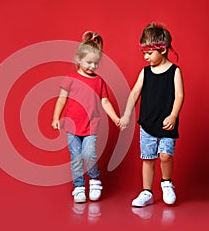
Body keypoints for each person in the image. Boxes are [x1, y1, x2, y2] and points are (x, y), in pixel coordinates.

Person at [120, 22, 184, 207]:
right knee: (147, 158)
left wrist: (173, 115)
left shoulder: (174, 71)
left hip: (166, 123)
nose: (146, 57)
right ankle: (147, 192)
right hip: (147, 123)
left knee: (165, 155)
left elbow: (180, 95)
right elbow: (134, 93)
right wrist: (126, 114)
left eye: (149, 53)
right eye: (144, 54)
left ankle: (166, 183)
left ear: (163, 50)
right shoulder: (145, 72)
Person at [51, 31, 120, 203]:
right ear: (78, 59)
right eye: (89, 62)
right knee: (75, 157)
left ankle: (95, 180)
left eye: (96, 63)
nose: (92, 67)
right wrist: (55, 118)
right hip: (72, 127)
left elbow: (105, 102)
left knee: (88, 153)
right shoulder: (70, 78)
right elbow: (61, 99)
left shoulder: (99, 81)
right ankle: (79, 186)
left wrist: (115, 118)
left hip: (91, 125)